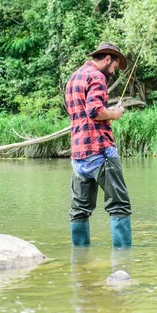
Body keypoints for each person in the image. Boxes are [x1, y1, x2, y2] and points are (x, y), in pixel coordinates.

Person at [64, 42, 132, 248]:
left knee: (80, 210)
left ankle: (80, 259)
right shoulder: (97, 77)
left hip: (78, 154)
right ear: (108, 58)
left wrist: (106, 110)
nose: (113, 71)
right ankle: (123, 260)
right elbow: (94, 111)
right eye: (114, 66)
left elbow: (80, 112)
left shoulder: (74, 77)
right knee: (119, 206)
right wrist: (114, 114)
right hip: (100, 151)